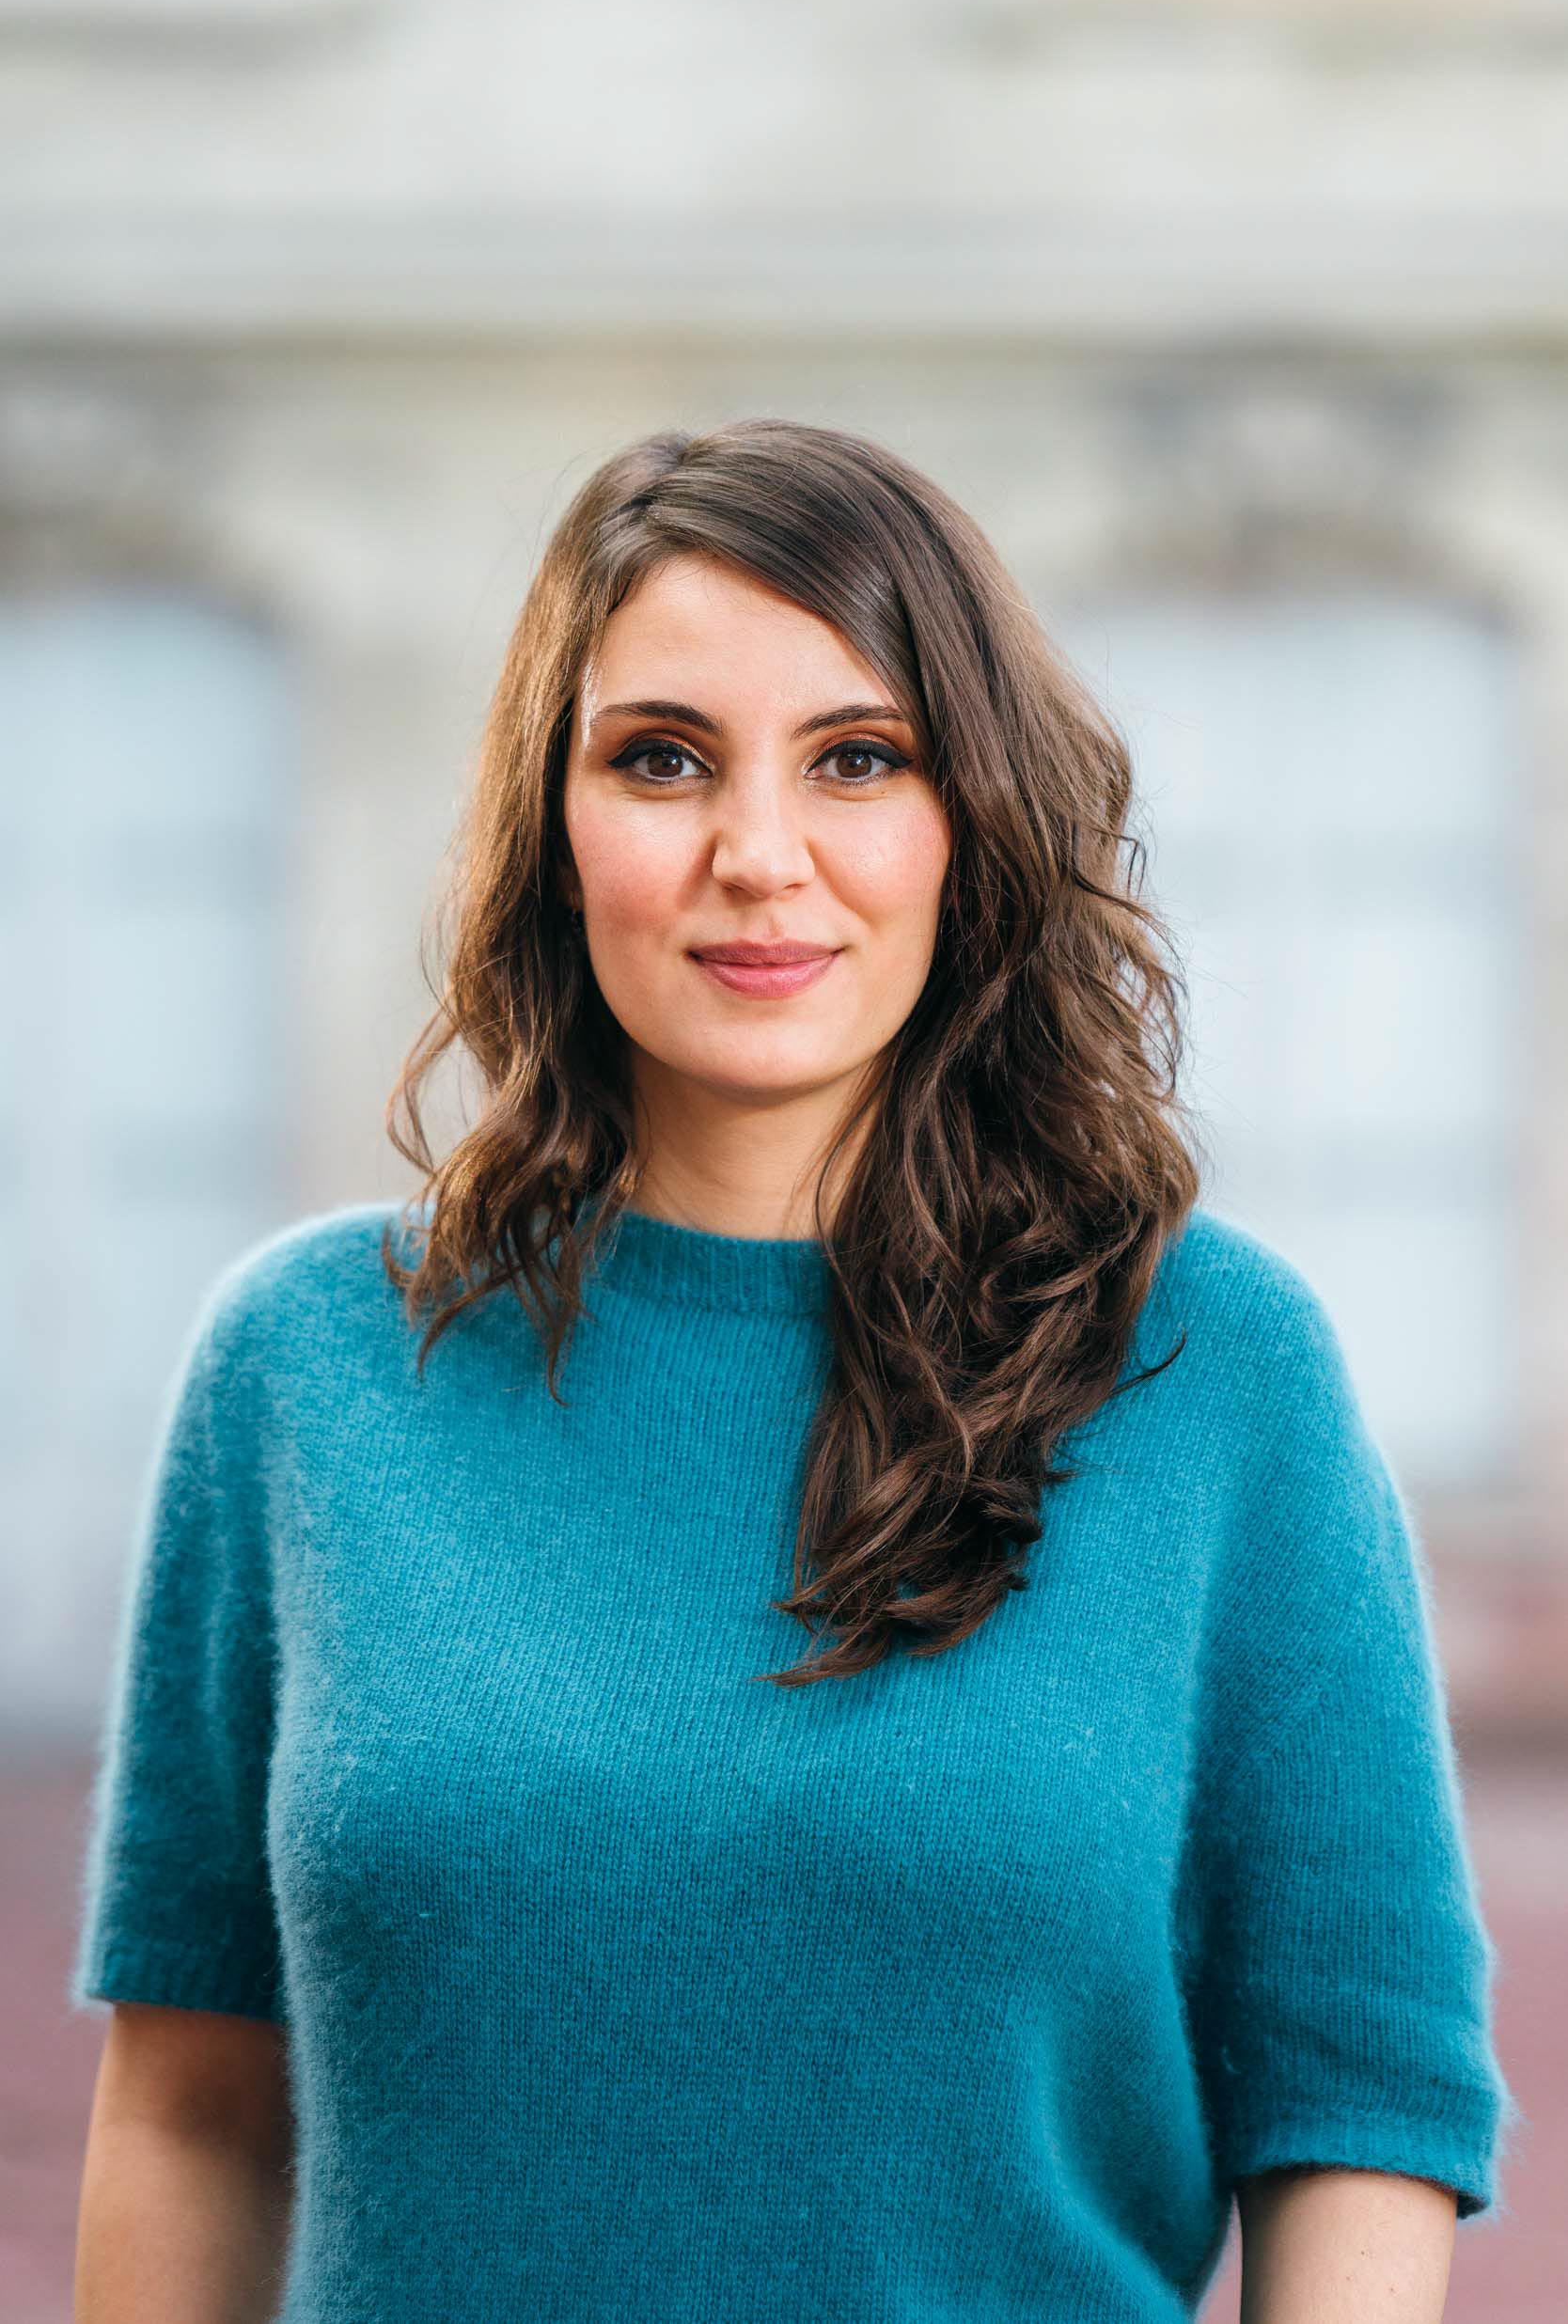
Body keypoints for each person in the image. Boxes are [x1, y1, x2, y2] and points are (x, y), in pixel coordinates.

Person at [70, 418, 1517, 2322]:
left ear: (968, 818)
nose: (759, 855)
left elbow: (1358, 2109)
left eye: (859, 758)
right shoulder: (308, 1367)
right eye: (661, 759)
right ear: (553, 818)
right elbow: (189, 2111)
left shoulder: (1213, 1369)